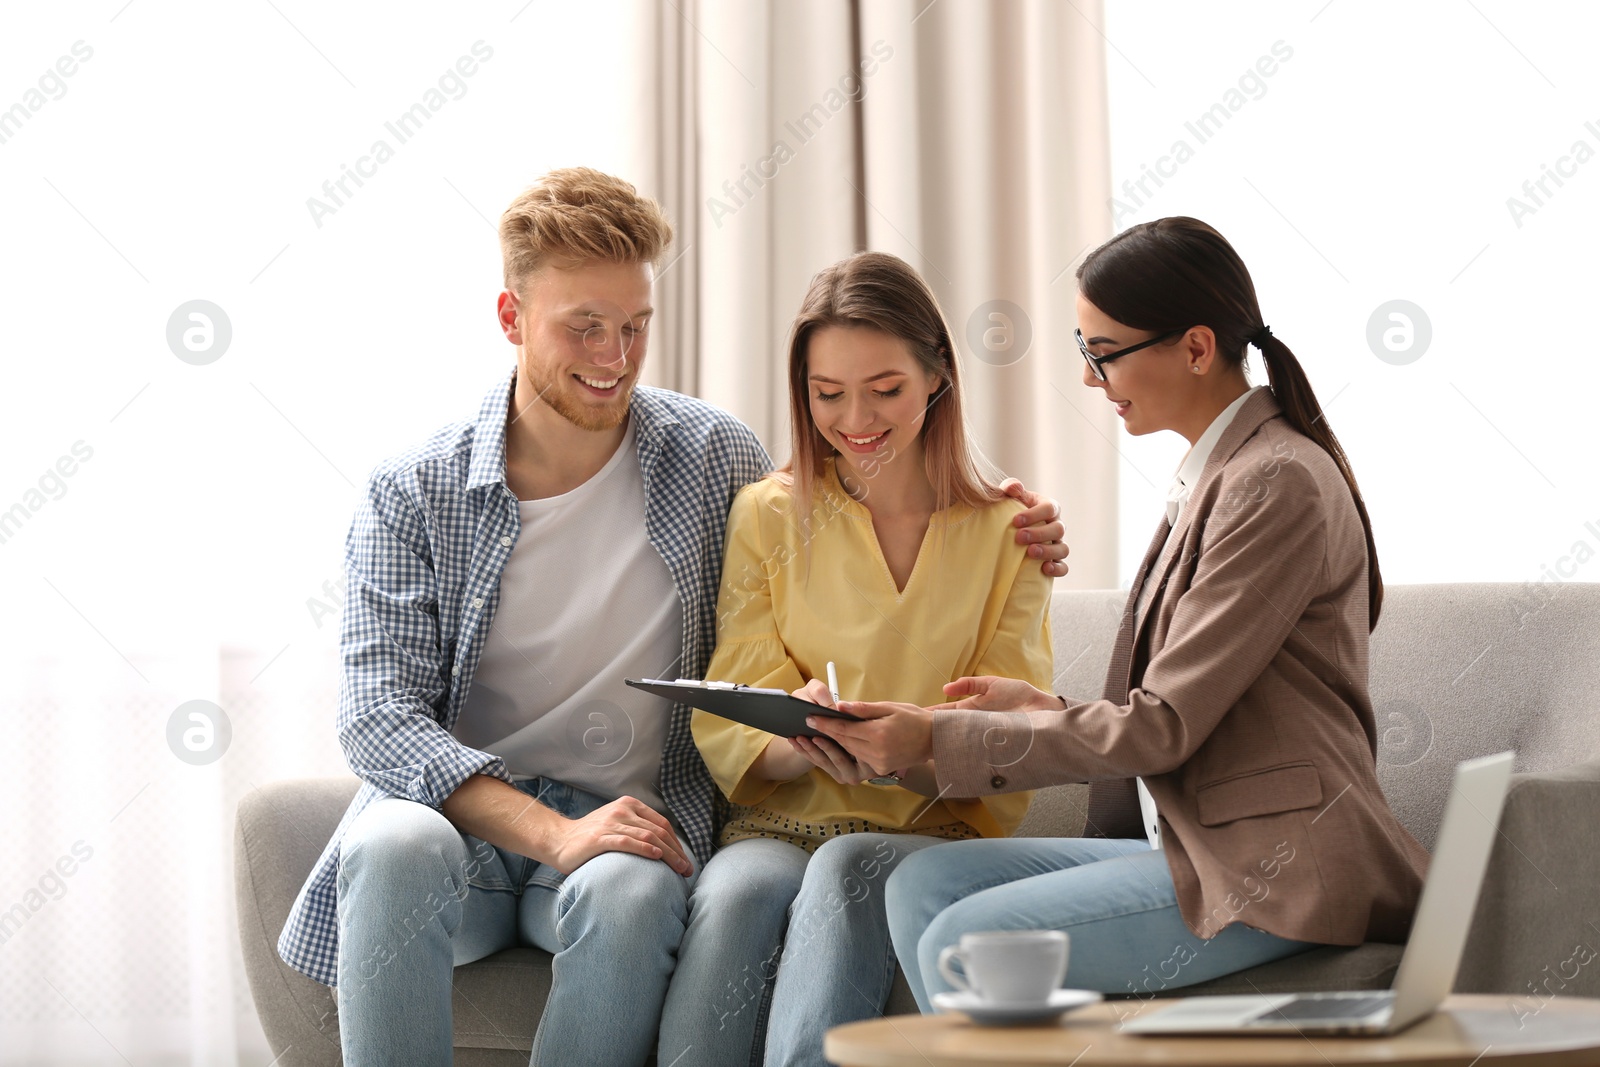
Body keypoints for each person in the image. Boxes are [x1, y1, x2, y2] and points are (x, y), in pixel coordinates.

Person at [272, 168, 1072, 1066]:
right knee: (391, 846)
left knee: (633, 892)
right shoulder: (413, 489)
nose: (614, 354)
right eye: (584, 326)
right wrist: (552, 832)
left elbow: (853, 480)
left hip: (627, 820)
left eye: (634, 326)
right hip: (460, 823)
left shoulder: (710, 453)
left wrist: (1006, 502)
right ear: (511, 318)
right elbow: (379, 719)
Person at [808, 217, 1430, 1008]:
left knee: (967, 941)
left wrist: (933, 734)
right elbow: (1186, 710)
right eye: (1084, 352)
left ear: (1197, 348)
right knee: (916, 882)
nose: (1092, 380)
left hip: (1269, 864)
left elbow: (1164, 724)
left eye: (1103, 354)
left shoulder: (1275, 483)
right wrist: (1047, 712)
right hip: (1191, 842)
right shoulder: (1221, 474)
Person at [656, 252, 1054, 1066]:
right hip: (779, 817)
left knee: (851, 864)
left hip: (931, 826)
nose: (856, 417)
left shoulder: (1007, 532)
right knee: (735, 895)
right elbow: (735, 699)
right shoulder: (769, 514)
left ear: (938, 374)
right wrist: (793, 738)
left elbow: (1017, 729)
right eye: (827, 393)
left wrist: (912, 745)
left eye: (886, 388)